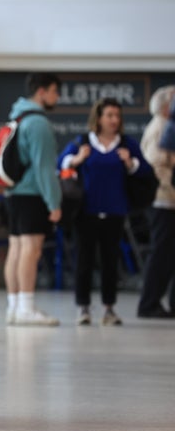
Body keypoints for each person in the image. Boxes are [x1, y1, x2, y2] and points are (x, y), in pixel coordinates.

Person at [58, 98, 151, 326]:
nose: (114, 120)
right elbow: (61, 163)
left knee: (111, 262)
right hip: (86, 213)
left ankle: (109, 309)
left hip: (115, 212)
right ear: (98, 117)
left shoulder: (126, 144)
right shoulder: (83, 142)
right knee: (84, 262)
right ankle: (83, 308)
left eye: (117, 116)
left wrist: (130, 163)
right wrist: (78, 159)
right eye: (109, 115)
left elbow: (146, 170)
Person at [3, 73, 62, 327]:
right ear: (42, 91)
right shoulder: (38, 123)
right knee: (31, 250)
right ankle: (26, 308)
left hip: (15, 193)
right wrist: (54, 202)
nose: (57, 97)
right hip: (32, 194)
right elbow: (44, 167)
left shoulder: (18, 116)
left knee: (16, 248)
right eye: (55, 91)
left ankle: (15, 307)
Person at [137, 87, 175, 319]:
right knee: (161, 254)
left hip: (169, 200)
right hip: (162, 200)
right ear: (165, 105)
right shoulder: (160, 127)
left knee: (169, 255)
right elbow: (154, 163)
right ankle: (149, 303)